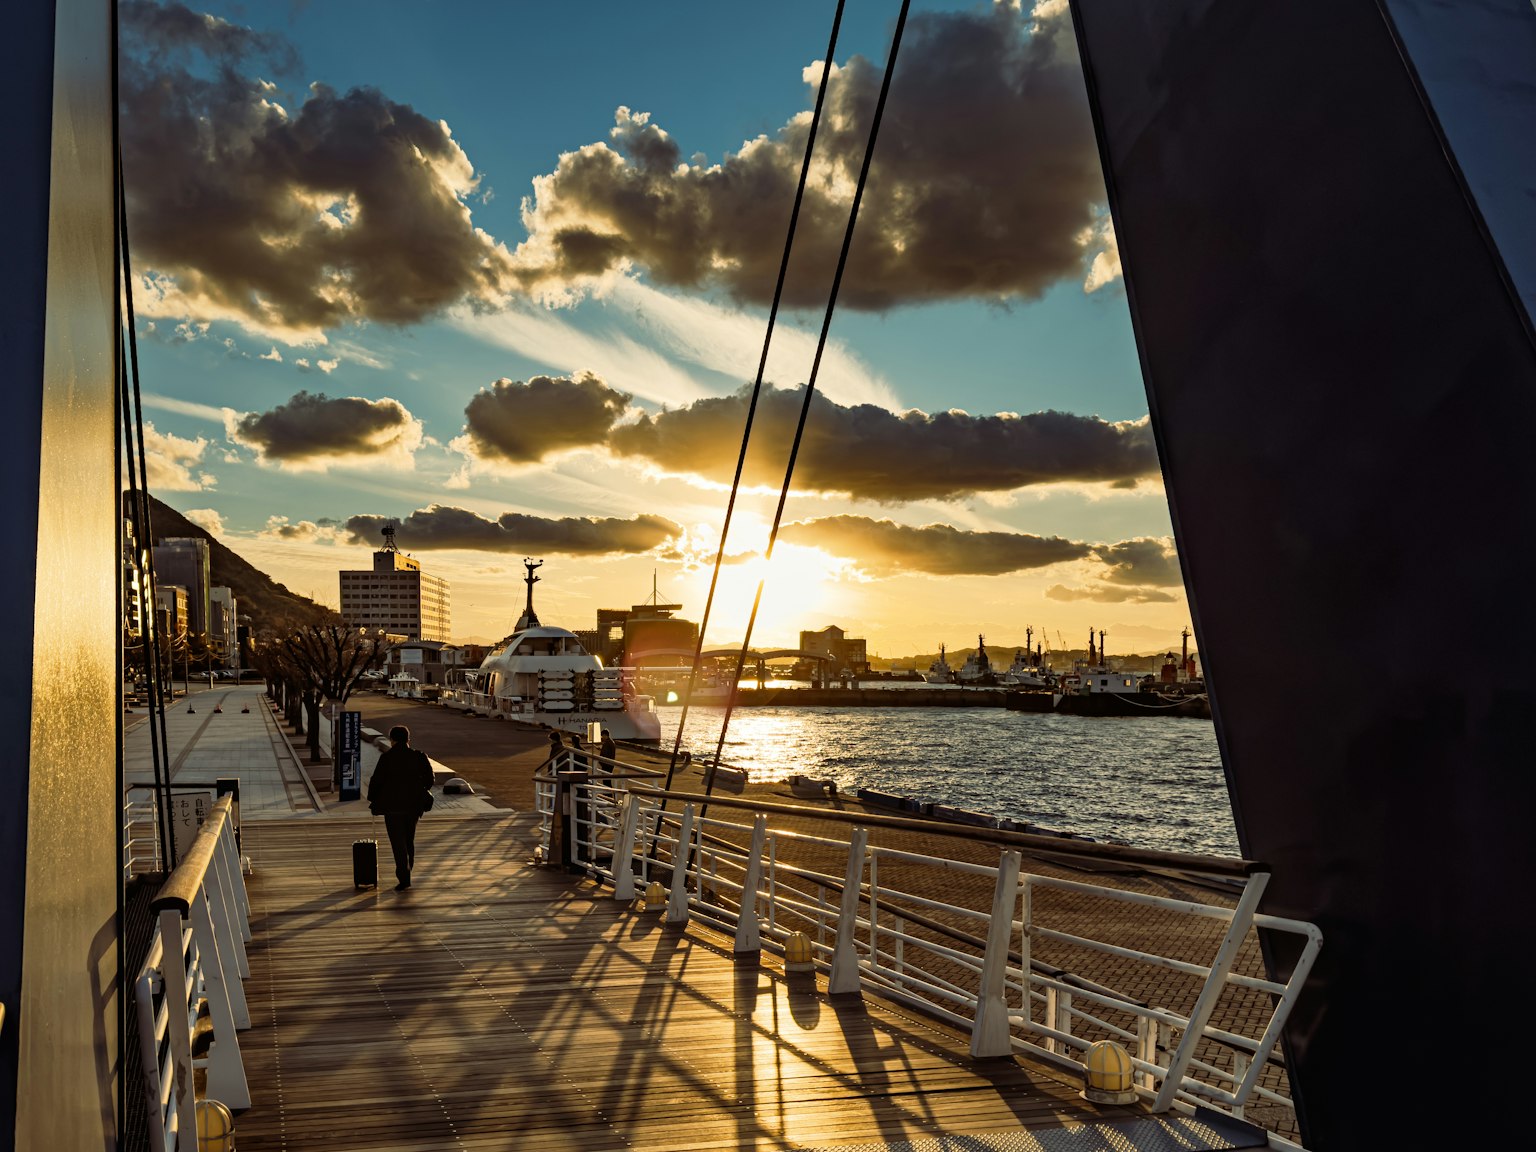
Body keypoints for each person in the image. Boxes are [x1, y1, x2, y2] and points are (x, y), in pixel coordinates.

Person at [368, 724, 434, 890]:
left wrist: (373, 800)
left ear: (392, 740)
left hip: (392, 807)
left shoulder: (387, 758)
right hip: (413, 806)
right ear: (408, 740)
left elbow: (376, 782)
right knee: (408, 839)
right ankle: (407, 869)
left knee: (398, 842)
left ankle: (404, 876)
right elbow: (430, 780)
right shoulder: (419, 756)